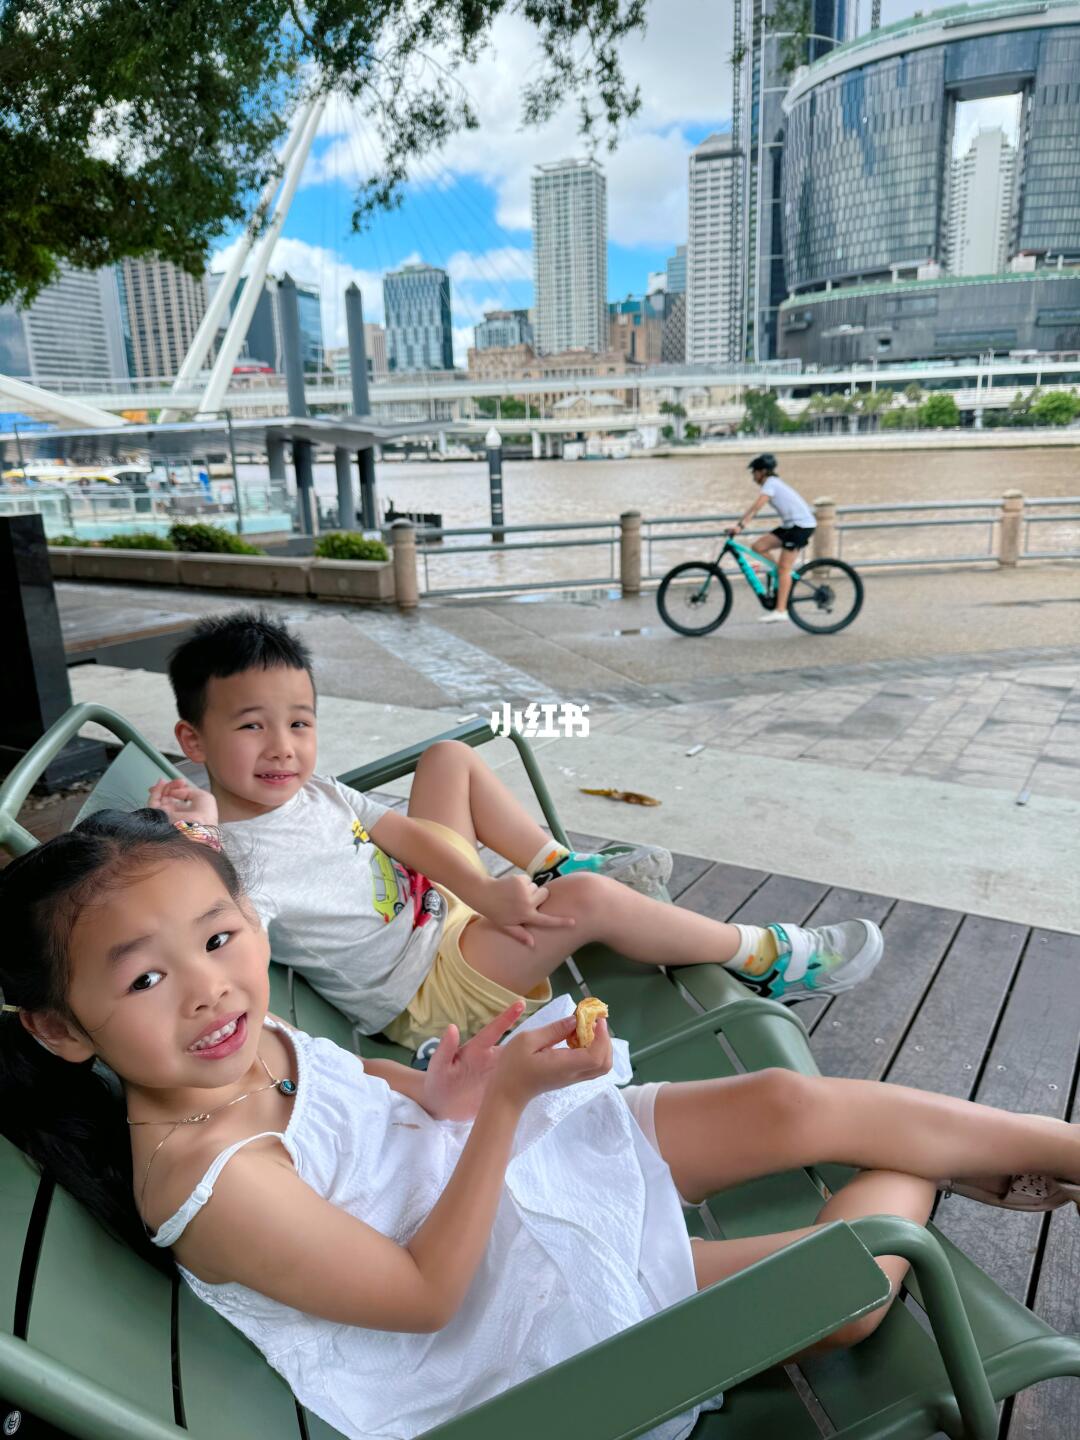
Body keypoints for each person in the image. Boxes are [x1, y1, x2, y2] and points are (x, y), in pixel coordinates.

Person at [2, 812, 1078, 1440]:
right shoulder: (209, 1178)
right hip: (499, 1327)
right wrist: (506, 1106)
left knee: (791, 1103)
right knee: (850, 1283)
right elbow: (425, 1298)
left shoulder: (238, 1043)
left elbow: (345, 1077)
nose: (209, 990)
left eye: (218, 937)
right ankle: (931, 1169)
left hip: (489, 1180)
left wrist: (441, 1092)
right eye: (145, 978)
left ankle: (1034, 1147)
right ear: (59, 1028)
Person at [146, 612, 885, 1052]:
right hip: (428, 987)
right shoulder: (235, 866)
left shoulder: (314, 790)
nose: (283, 748)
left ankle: (558, 864)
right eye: (252, 727)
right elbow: (230, 946)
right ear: (194, 739)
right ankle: (764, 957)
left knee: (448, 758)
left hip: (443, 910)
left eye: (300, 724)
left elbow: (402, 832)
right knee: (590, 903)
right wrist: (201, 834)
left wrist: (480, 890)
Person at [732, 454, 817, 624]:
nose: (753, 476)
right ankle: (780, 573)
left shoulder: (771, 483)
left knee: (784, 569)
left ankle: (781, 611)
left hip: (801, 526)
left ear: (763, 472)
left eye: (754, 472)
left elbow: (757, 507)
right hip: (790, 526)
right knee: (758, 547)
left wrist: (740, 526)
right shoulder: (773, 483)